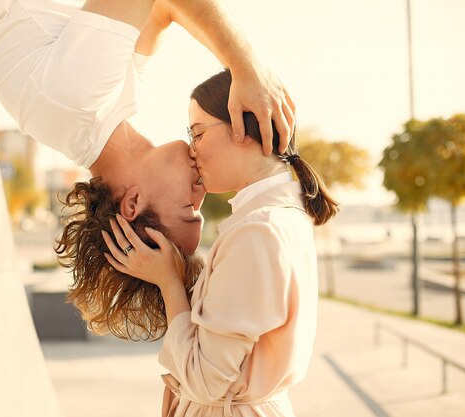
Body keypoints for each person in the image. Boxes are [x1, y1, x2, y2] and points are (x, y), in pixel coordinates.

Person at [0, 0, 296, 257]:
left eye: (189, 209)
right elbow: (163, 10)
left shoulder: (79, 101)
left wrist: (247, 67)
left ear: (132, 204)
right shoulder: (105, 111)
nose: (203, 188)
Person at [102, 69, 339, 417]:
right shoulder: (274, 217)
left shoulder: (258, 230)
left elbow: (206, 380)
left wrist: (169, 281)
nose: (192, 151)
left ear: (242, 128)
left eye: (197, 133)